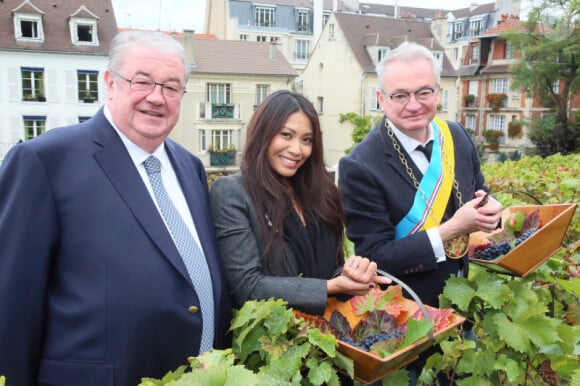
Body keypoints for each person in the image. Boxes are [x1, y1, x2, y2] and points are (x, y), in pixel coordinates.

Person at [0, 31, 231, 386]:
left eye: (171, 87)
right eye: (142, 82)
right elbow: (13, 299)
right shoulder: (45, 161)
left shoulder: (189, 166)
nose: (157, 98)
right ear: (109, 82)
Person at [338, 42, 502, 383]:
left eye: (423, 92)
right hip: (404, 326)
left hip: (460, 311)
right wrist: (451, 230)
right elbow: (375, 258)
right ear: (381, 99)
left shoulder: (454, 134)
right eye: (399, 95)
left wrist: (492, 210)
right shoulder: (359, 165)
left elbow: (481, 194)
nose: (413, 105)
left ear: (438, 91)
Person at [209, 90, 391, 317]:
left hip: (325, 335)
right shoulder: (232, 192)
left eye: (307, 140)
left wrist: (351, 275)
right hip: (272, 341)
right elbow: (248, 286)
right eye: (286, 135)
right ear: (262, 133)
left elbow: (329, 270)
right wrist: (330, 287)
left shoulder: (321, 193)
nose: (297, 150)